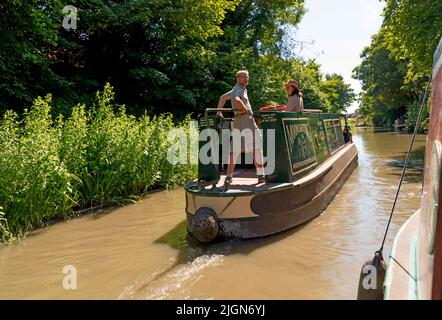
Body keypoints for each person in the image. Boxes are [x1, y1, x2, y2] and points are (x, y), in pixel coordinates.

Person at [216, 70, 265, 190]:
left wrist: (219, 110)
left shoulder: (236, 89)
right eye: (243, 77)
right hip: (246, 120)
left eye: (247, 77)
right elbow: (237, 99)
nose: (245, 79)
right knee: (257, 147)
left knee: (235, 149)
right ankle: (261, 174)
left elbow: (223, 97)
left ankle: (229, 176)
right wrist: (244, 110)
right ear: (237, 78)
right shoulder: (238, 90)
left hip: (238, 121)